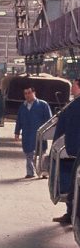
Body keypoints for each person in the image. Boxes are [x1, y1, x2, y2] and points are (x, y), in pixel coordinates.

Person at [52, 78, 80, 224]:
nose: (72, 88)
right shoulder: (73, 104)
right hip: (73, 148)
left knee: (73, 184)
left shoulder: (75, 105)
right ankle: (71, 214)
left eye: (74, 85)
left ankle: (72, 215)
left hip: (75, 150)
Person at [14, 86, 53, 178]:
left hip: (40, 134)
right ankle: (30, 173)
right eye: (25, 93)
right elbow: (19, 120)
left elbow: (49, 120)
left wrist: (47, 132)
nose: (27, 95)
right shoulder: (23, 107)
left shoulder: (43, 105)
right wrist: (17, 132)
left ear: (34, 93)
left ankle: (43, 172)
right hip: (27, 134)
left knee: (42, 154)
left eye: (29, 93)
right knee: (28, 153)